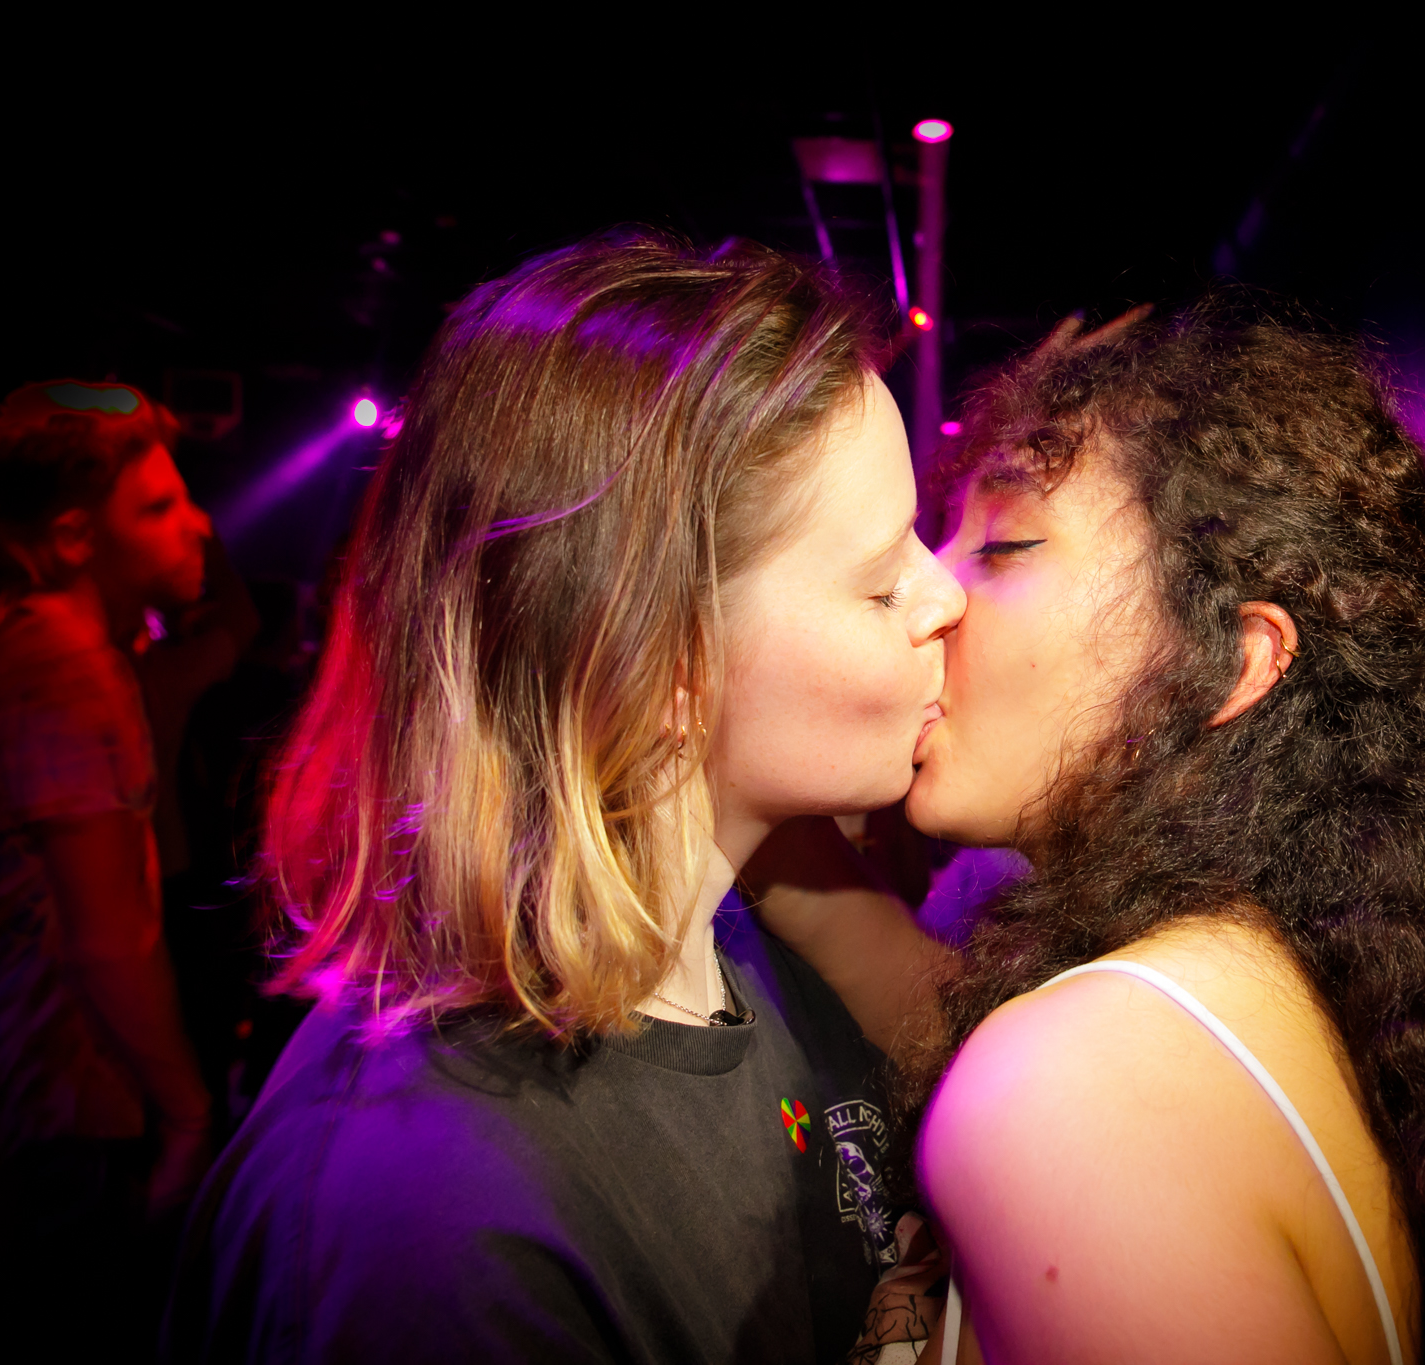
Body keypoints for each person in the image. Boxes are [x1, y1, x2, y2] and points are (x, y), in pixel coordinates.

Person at [753, 303, 1425, 1362]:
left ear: (1229, 663)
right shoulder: (1266, 973)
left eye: (1001, 545)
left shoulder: (1079, 1091)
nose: (930, 591)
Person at [164, 231, 966, 1364]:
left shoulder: (759, 950)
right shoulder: (438, 1230)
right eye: (882, 583)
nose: (945, 596)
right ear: (660, 665)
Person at [0, 379, 219, 1355]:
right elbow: (109, 940)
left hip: (35, 1106)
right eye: (158, 508)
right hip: (60, 1114)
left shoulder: (42, 649)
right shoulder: (64, 670)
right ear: (74, 537)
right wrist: (188, 1113)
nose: (198, 523)